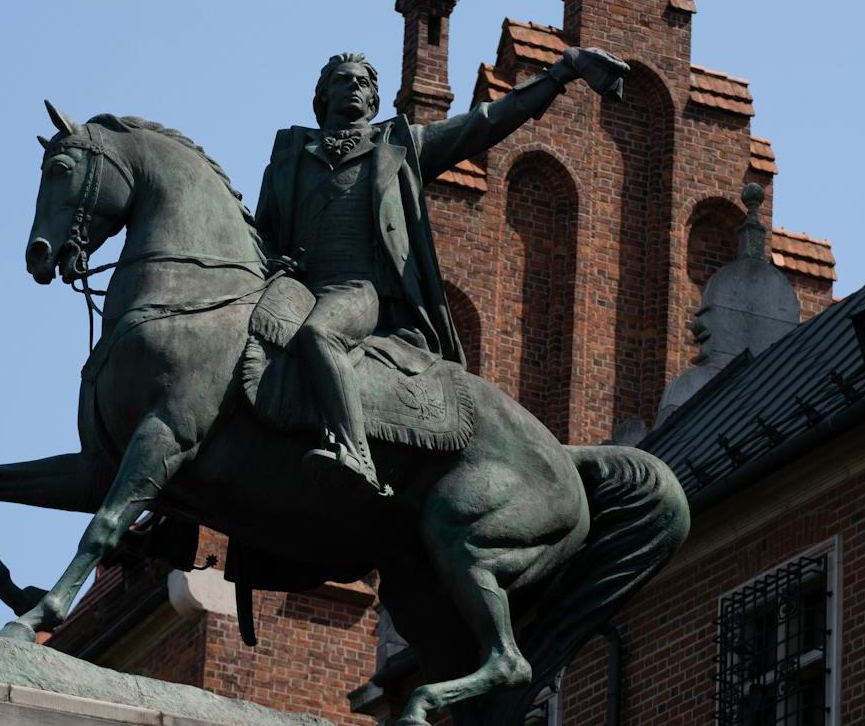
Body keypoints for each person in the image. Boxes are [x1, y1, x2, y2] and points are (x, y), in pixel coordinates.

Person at [253, 46, 628, 495]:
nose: (353, 86)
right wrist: (277, 260)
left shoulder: (399, 148)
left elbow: (485, 123)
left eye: (363, 82)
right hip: (297, 287)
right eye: (342, 80)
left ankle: (354, 453)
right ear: (322, 97)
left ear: (374, 101)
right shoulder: (291, 157)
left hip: (357, 289)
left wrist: (561, 73)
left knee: (319, 335)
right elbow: (264, 235)